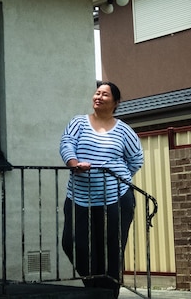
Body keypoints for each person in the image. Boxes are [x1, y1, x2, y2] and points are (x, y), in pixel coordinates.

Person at [59, 81, 144, 293]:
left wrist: (116, 179)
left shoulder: (124, 130)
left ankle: (106, 293)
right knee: (73, 244)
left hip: (117, 200)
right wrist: (74, 164)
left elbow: (136, 160)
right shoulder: (78, 122)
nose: (98, 97)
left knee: (111, 251)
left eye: (104, 95)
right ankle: (95, 287)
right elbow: (66, 143)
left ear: (115, 102)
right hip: (79, 197)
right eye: (97, 93)